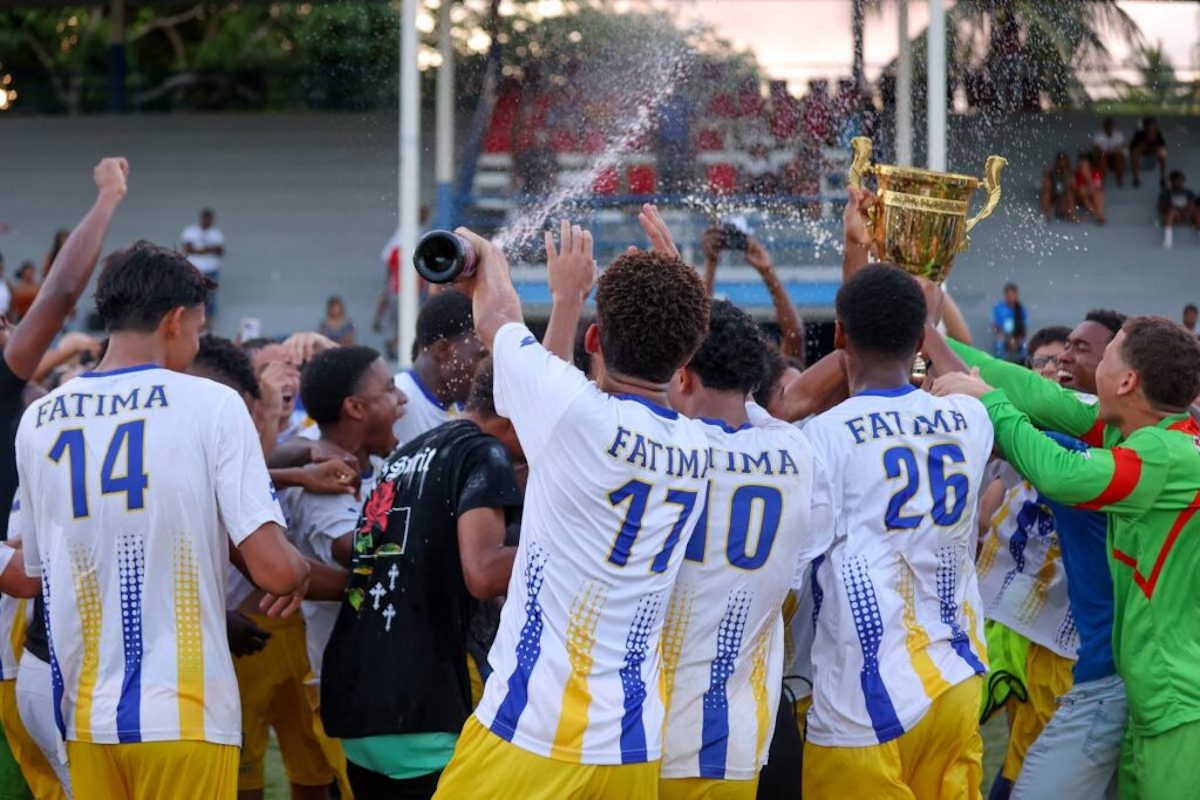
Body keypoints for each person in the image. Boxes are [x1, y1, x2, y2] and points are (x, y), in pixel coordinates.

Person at [14, 241, 310, 800]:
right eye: (197, 328)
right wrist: (295, 572)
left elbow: (33, 571)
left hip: (81, 716)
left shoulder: (39, 419)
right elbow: (273, 570)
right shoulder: (212, 404)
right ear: (176, 320)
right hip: (185, 713)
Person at [433, 209, 712, 798]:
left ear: (593, 339)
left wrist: (510, 267)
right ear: (684, 363)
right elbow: (669, 348)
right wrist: (680, 287)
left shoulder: (575, 417)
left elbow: (500, 314)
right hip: (632, 748)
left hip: (531, 730)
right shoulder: (699, 445)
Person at [933, 316, 1200, 800]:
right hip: (1150, 694)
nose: (1063, 364)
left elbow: (1060, 474)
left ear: (1126, 380)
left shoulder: (1165, 454)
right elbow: (1038, 397)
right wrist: (929, 336)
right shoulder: (1144, 431)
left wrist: (988, 403)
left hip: (1177, 699)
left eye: (1108, 348)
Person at [800, 264, 993, 800]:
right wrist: (928, 328)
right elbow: (981, 387)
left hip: (864, 700)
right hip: (956, 679)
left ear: (838, 334)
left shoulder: (822, 436)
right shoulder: (969, 418)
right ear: (921, 339)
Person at [322, 359, 523, 800]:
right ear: (514, 410)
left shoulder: (405, 455)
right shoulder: (483, 453)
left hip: (358, 702)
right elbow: (485, 572)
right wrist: (569, 540)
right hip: (419, 708)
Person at [658, 299, 830, 799]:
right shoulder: (797, 452)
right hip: (738, 733)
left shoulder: (667, 448)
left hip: (647, 729)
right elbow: (807, 552)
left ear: (684, 373)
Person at [393, 290, 486, 448]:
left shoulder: (463, 409)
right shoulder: (395, 401)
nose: (487, 367)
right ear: (443, 350)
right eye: (481, 355)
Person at [180, 208, 224, 318]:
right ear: (202, 218)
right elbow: (188, 248)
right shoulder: (191, 231)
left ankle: (208, 328)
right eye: (206, 218)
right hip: (194, 269)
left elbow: (220, 251)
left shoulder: (216, 233)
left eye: (210, 219)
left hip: (211, 270)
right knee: (191, 295)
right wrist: (209, 249)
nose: (208, 221)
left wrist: (200, 250)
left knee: (210, 299)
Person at [1158, 170, 1198, 250]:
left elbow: (1194, 204)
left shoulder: (1188, 192)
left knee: (1198, 213)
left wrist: (1187, 210)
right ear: (1172, 181)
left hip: (1188, 214)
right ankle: (1168, 240)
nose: (1180, 182)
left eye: (1182, 180)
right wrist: (1177, 210)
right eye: (1177, 180)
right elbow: (1162, 207)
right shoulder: (1166, 193)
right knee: (1171, 212)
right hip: (1175, 215)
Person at [992, 283, 1028, 363]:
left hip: (1017, 336)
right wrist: (1008, 339)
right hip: (1003, 335)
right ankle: (999, 364)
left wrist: (1016, 340)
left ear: (1016, 295)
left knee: (1025, 347)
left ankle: (1023, 365)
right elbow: (995, 326)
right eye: (1008, 295)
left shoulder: (1021, 309)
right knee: (999, 345)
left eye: (1012, 295)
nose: (1010, 297)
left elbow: (1024, 328)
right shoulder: (999, 308)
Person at [1129, 117, 1167, 189]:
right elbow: (1134, 147)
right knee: (1135, 153)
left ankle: (1163, 177)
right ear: (1146, 126)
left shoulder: (1158, 134)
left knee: (1162, 152)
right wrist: (1148, 139)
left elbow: (1162, 145)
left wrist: (1155, 145)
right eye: (1150, 126)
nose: (1152, 127)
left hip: (1153, 150)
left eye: (1153, 126)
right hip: (1141, 150)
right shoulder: (1140, 134)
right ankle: (1136, 178)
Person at [1040, 152, 1076, 222]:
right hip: (1053, 193)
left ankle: (1071, 216)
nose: (1062, 164)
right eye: (1060, 162)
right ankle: (1045, 215)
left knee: (1069, 195)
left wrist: (1066, 177)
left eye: (1063, 162)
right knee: (1046, 194)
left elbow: (1072, 187)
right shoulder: (1051, 172)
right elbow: (1046, 185)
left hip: (1064, 194)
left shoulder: (1069, 173)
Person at [1093, 117, 1126, 188]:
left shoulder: (1119, 135)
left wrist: (1113, 151)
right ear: (1104, 126)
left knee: (1119, 157)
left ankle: (1120, 180)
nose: (1109, 127)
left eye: (1110, 125)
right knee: (1102, 158)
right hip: (1104, 157)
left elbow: (1122, 147)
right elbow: (1096, 148)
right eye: (1107, 125)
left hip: (1115, 158)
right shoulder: (1099, 135)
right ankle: (1101, 182)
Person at [1073, 152, 1106, 225]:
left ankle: (1099, 215)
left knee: (1098, 194)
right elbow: (1075, 190)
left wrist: (1088, 177)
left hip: (1091, 197)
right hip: (1080, 198)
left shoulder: (1096, 173)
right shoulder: (1076, 174)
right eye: (1082, 165)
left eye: (1086, 165)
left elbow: (1097, 188)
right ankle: (1097, 214)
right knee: (1082, 191)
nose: (1083, 167)